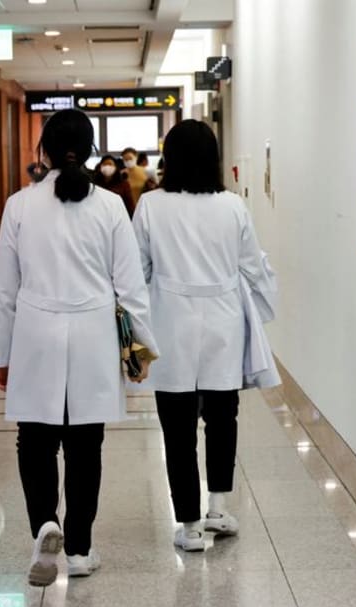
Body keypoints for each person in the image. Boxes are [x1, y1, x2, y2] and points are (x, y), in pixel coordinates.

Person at [0, 109, 159, 586]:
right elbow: (131, 288)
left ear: (43, 151)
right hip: (93, 335)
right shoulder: (110, 206)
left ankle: (44, 523)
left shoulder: (19, 205)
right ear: (87, 151)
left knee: (35, 438)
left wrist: (1, 355)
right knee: (85, 444)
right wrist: (140, 350)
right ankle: (80, 549)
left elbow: (4, 289)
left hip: (35, 334)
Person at [132, 119, 277, 552]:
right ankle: (218, 507)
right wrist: (262, 308)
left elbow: (137, 270)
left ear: (170, 158)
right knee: (222, 417)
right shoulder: (232, 205)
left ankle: (190, 525)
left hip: (169, 321)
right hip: (223, 321)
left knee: (176, 427)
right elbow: (253, 266)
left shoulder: (151, 205)